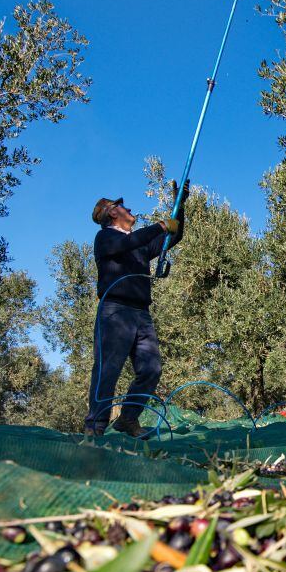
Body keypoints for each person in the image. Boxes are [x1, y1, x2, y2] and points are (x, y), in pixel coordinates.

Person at [85, 182, 189, 438]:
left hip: (141, 314)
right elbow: (133, 242)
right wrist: (161, 226)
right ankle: (95, 426)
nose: (128, 208)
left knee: (151, 369)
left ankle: (127, 419)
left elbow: (172, 237)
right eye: (122, 206)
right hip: (115, 311)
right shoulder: (106, 238)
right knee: (108, 369)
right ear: (112, 213)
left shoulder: (138, 244)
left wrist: (180, 205)